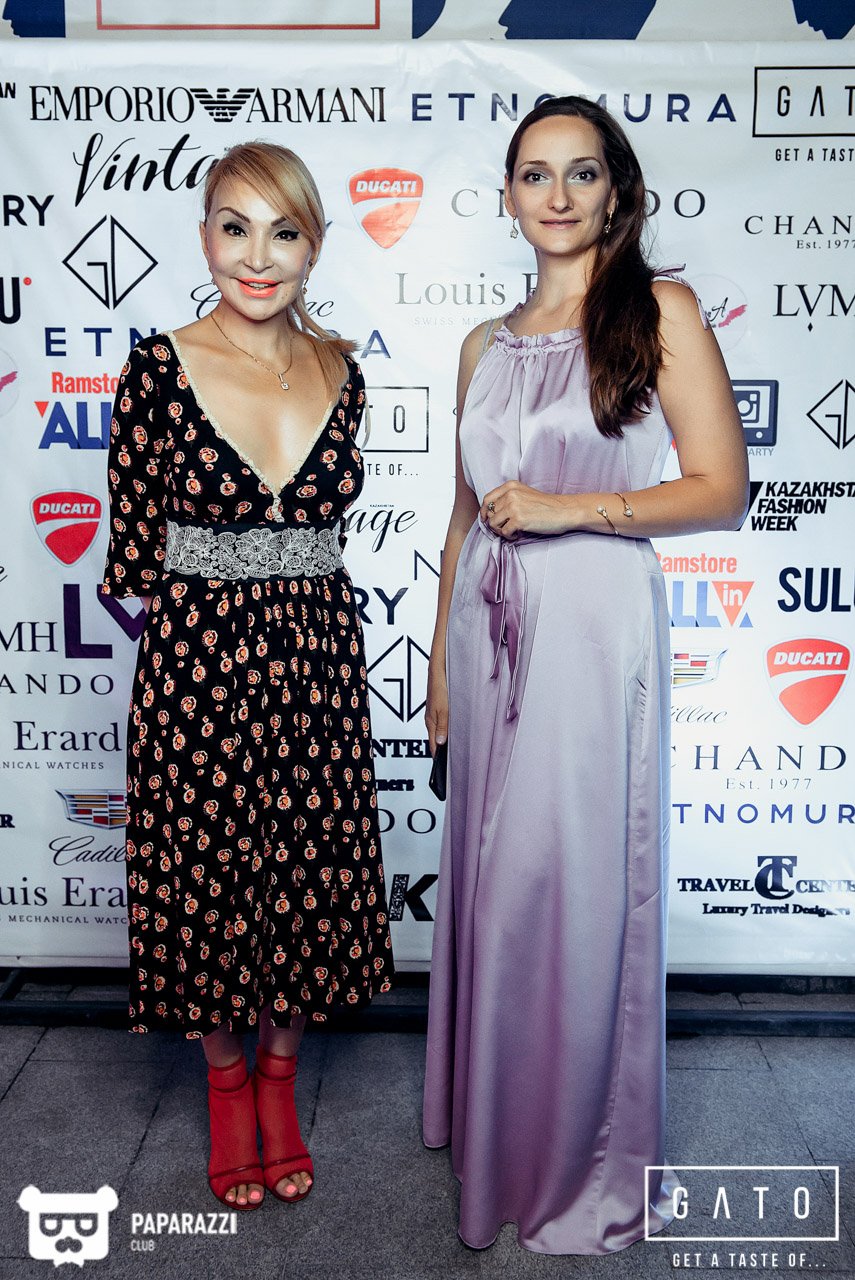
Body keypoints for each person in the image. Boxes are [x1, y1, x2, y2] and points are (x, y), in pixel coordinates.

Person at [422, 96, 748, 1254]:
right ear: (508, 196)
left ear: (617, 190)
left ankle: (574, 1155)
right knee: (493, 876)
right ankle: (496, 1124)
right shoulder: (483, 343)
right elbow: (462, 515)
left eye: (581, 172)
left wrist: (571, 509)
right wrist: (440, 668)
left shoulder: (659, 311)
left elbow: (721, 489)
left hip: (594, 626)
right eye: (534, 173)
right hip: (486, 631)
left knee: (563, 884)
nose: (556, 195)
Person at [101, 141, 394, 1212]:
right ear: (204, 237)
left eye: (284, 231)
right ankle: (227, 1083)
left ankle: (279, 1074)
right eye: (235, 227)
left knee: (309, 866)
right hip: (198, 661)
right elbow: (135, 547)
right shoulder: (157, 368)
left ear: (315, 246)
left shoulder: (343, 373)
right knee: (205, 869)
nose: (257, 257)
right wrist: (202, 643)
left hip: (317, 655)